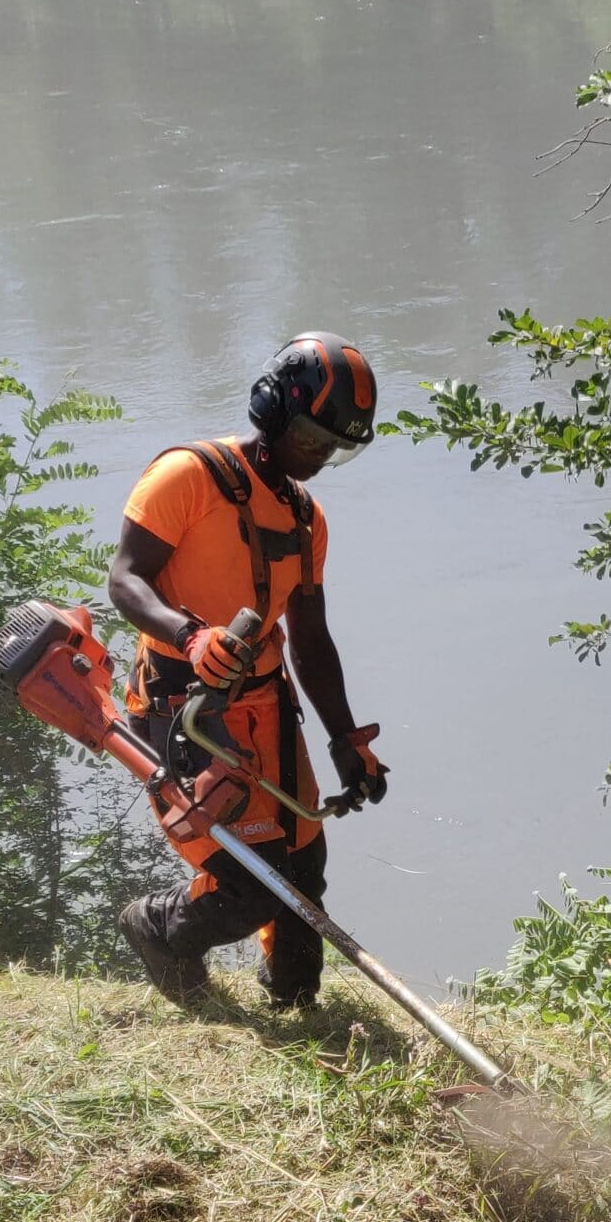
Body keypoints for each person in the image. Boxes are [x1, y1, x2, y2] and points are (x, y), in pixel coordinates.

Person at [109, 332, 392, 1007]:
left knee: (303, 867)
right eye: (311, 439)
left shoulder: (305, 518)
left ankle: (293, 999)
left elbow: (311, 639)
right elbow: (125, 580)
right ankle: (156, 926)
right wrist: (189, 635)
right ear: (272, 408)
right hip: (184, 709)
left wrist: (346, 738)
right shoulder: (187, 476)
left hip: (267, 705)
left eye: (334, 447)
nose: (317, 457)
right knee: (249, 882)